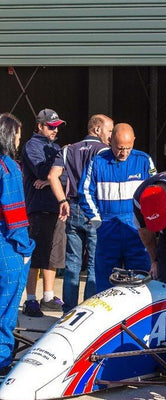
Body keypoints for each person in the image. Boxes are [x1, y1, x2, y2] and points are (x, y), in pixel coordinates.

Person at [78, 122, 157, 292]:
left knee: (140, 280)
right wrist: (96, 220)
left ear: (134, 141)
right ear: (110, 141)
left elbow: (155, 192)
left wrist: (150, 223)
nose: (124, 153)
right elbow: (85, 192)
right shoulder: (97, 162)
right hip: (107, 227)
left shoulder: (143, 160)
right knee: (105, 280)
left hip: (136, 229)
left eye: (128, 148)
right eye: (120, 148)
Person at [48, 114, 113, 313]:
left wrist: (62, 201)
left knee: (72, 263)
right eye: (109, 130)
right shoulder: (104, 151)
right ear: (97, 129)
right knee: (94, 263)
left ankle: (69, 310)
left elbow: (52, 176)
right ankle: (87, 312)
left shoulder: (68, 149)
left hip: (73, 206)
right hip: (95, 209)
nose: (111, 136)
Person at [20, 108, 66, 317]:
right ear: (40, 126)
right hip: (38, 208)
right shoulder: (32, 146)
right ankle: (31, 299)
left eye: (57, 127)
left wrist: (50, 180)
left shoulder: (55, 148)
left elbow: (66, 176)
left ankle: (48, 296)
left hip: (56, 207)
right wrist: (53, 175)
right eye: (51, 126)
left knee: (54, 254)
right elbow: (42, 171)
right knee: (36, 254)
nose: (55, 130)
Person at [0, 113, 35, 375]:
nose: (19, 141)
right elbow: (15, 215)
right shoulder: (8, 168)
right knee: (6, 310)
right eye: (18, 136)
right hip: (7, 247)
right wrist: (25, 249)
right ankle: (2, 362)